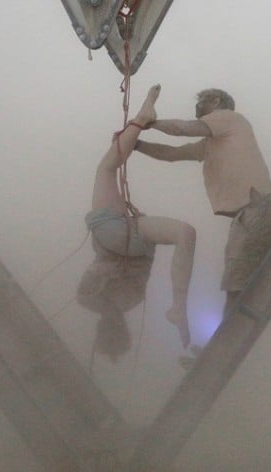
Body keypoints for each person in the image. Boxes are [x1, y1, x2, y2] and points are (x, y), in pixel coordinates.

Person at [135, 88, 271, 316]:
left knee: (238, 283)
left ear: (216, 101)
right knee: (235, 281)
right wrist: (136, 145)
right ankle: (227, 338)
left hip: (259, 208)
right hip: (247, 215)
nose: (196, 109)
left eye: (201, 102)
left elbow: (183, 129)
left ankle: (228, 341)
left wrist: (149, 123)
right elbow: (172, 153)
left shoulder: (229, 118)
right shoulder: (212, 142)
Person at [77, 84, 197, 360]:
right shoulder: (86, 299)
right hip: (113, 235)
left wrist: (134, 225)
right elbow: (102, 265)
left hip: (135, 244)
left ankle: (179, 305)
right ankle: (142, 118)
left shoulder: (133, 302)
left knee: (185, 233)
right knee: (107, 169)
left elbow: (129, 270)